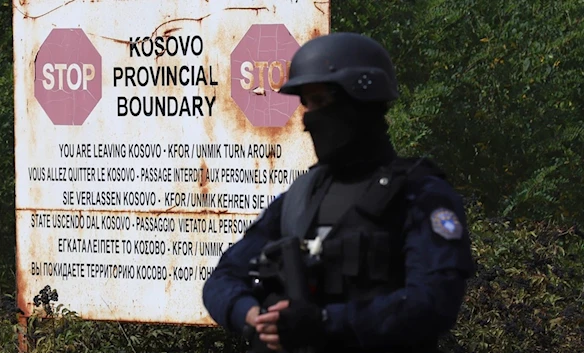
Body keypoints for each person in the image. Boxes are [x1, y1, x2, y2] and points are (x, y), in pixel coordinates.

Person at [202, 32, 475, 353]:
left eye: (320, 101)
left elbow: (434, 303)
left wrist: (326, 322)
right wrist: (253, 317)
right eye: (306, 104)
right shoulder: (303, 194)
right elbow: (223, 278)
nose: (307, 120)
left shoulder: (420, 193)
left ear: (359, 100)